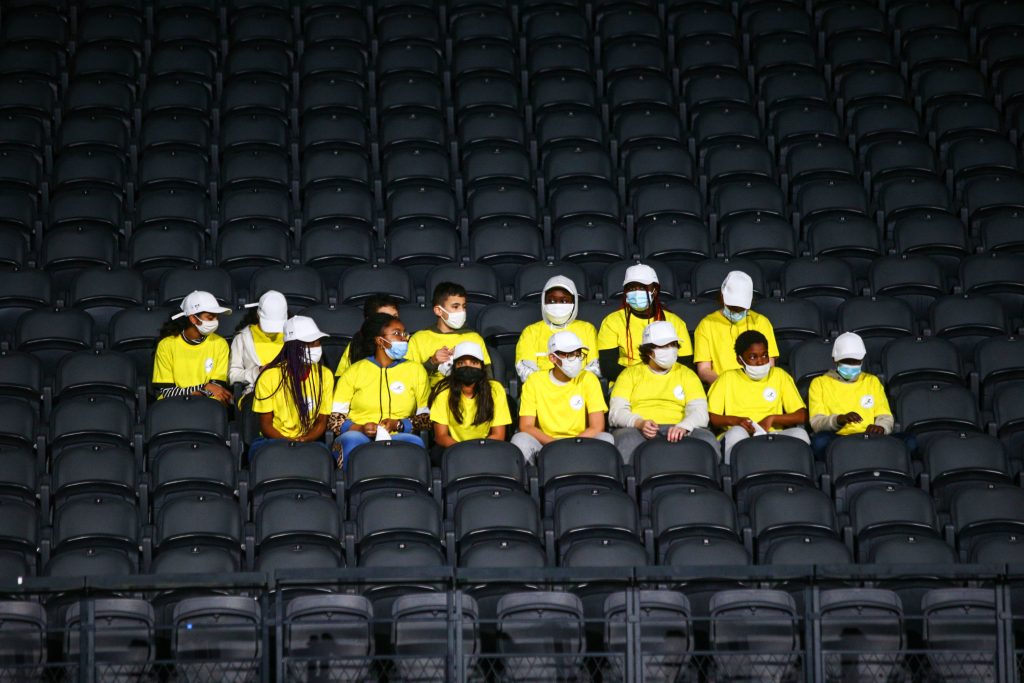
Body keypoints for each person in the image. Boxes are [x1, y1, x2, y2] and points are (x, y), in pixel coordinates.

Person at [609, 321, 721, 463]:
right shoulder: (629, 374)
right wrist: (639, 423)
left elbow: (700, 411)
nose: (670, 350)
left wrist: (684, 426)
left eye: (673, 345)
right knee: (626, 440)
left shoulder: (687, 374)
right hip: (638, 429)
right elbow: (616, 412)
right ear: (649, 351)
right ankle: (631, 483)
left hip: (680, 427)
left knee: (707, 439)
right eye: (663, 346)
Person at [328, 313, 430, 466]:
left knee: (414, 443)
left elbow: (425, 417)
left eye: (404, 333)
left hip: (398, 435)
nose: (404, 338)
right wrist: (361, 428)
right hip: (358, 434)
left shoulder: (416, 370)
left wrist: (399, 424)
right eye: (396, 334)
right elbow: (335, 419)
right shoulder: (354, 371)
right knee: (352, 442)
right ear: (379, 341)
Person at [511, 330, 614, 464]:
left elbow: (597, 426)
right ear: (553, 358)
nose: (576, 359)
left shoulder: (588, 379)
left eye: (578, 354)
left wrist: (572, 444)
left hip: (581, 440)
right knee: (520, 439)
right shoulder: (534, 381)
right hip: (545, 443)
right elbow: (526, 426)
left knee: (606, 439)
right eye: (570, 355)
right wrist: (554, 444)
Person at [708, 330, 809, 464]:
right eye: (753, 357)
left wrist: (772, 419)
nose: (761, 362)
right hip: (740, 433)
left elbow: (802, 415)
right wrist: (737, 421)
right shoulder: (726, 378)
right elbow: (713, 417)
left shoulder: (779, 375)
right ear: (740, 359)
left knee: (800, 435)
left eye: (764, 355)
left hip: (772, 435)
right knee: (737, 433)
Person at [249, 316, 334, 460]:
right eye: (310, 344)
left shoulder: (325, 375)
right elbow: (266, 425)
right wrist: (289, 444)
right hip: (272, 440)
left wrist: (305, 439)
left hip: (309, 440)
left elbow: (321, 421)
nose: (316, 348)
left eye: (317, 343)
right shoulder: (269, 377)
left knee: (324, 457)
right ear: (294, 347)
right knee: (261, 455)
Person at [598, 264, 692, 382]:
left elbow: (686, 364)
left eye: (642, 288)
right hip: (626, 382)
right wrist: (643, 380)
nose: (636, 292)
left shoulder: (675, 322)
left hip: (668, 382)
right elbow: (608, 367)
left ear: (655, 290)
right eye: (631, 288)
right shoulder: (612, 321)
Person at [808, 332, 894, 460]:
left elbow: (885, 415)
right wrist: (839, 419)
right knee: (820, 442)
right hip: (837, 437)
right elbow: (817, 423)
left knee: (909, 441)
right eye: (847, 362)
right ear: (835, 360)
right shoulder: (819, 383)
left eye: (856, 362)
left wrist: (881, 428)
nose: (851, 366)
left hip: (868, 435)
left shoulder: (872, 381)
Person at [693, 270, 779, 385]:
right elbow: (704, 370)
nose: (737, 311)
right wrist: (726, 387)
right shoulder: (706, 324)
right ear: (723, 298)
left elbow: (769, 365)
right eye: (733, 307)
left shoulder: (761, 322)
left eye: (741, 308)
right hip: (723, 388)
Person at [152, 290, 233, 405]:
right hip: (173, 405)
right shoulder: (166, 345)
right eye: (210, 318)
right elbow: (166, 391)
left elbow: (217, 389)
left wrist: (201, 391)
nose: (215, 321)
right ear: (193, 319)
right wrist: (204, 387)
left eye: (216, 317)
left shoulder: (220, 343)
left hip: (208, 404)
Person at [515, 275, 600, 383]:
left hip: (580, 391)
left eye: (564, 301)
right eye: (551, 301)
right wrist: (553, 385)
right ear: (543, 302)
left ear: (574, 302)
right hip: (542, 393)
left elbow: (595, 367)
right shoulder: (530, 332)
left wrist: (571, 386)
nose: (558, 305)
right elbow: (525, 371)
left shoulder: (588, 329)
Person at [429, 341, 512, 449]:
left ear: (482, 367)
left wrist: (478, 451)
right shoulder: (443, 392)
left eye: (473, 363)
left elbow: (498, 435)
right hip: (453, 449)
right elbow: (441, 436)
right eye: (462, 363)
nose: (468, 367)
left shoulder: (495, 390)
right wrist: (463, 451)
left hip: (486, 448)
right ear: (455, 367)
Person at [408, 282, 491, 386]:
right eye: (455, 307)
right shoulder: (419, 339)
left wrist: (463, 361)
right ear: (438, 311)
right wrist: (432, 362)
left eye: (464, 307)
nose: (462, 311)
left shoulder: (474, 338)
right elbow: (408, 379)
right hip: (431, 398)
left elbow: (488, 378)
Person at [229, 289, 289, 396]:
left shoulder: (292, 336)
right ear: (258, 315)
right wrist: (257, 372)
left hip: (288, 391)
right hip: (255, 393)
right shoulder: (242, 338)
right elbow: (233, 376)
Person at [336, 294, 402, 377]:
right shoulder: (357, 343)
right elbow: (342, 378)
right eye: (385, 317)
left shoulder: (406, 343)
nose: (393, 322)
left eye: (395, 317)